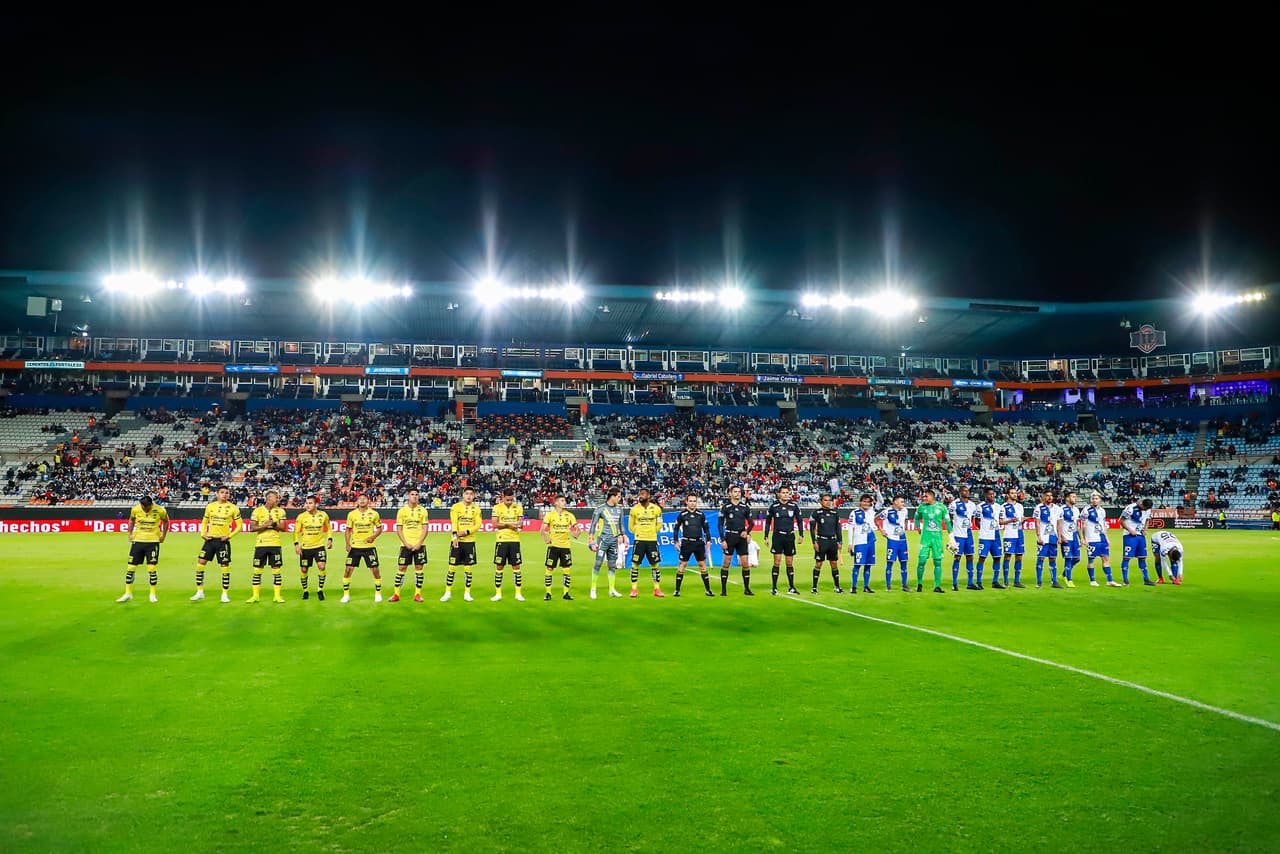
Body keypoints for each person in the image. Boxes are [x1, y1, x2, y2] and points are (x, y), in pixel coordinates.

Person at [192, 485, 241, 603]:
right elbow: (204, 521)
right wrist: (203, 533)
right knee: (200, 563)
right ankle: (199, 591)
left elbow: (240, 525)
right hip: (210, 540)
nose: (225, 494)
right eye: (222, 492)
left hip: (222, 541)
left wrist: (229, 536)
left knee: (224, 566)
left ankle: (224, 594)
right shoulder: (210, 506)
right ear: (217, 494)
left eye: (227, 493)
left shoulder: (233, 508)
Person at [117, 494, 168, 603]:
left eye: (146, 507)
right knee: (130, 568)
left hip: (153, 542)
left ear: (151, 505)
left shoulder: (160, 510)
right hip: (138, 541)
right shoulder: (135, 509)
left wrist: (163, 535)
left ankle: (152, 594)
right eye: (142, 507)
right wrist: (129, 534)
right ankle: (127, 593)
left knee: (151, 569)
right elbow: (131, 520)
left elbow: (166, 521)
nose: (144, 509)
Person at [246, 489, 287, 603]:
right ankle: (255, 596)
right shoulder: (257, 511)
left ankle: (277, 596)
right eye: (275, 497)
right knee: (257, 570)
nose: (277, 499)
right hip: (261, 544)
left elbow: (283, 528)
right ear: (268, 498)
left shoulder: (281, 511)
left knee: (276, 570)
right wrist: (264, 525)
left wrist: (273, 524)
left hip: (275, 544)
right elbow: (252, 528)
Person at [342, 493, 383, 603]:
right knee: (348, 570)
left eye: (364, 498)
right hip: (355, 547)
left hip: (369, 547)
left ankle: (378, 593)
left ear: (368, 501)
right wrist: (347, 543)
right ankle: (346, 595)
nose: (362, 500)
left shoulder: (374, 514)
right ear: (357, 501)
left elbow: (379, 528)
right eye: (360, 499)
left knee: (375, 570)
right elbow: (348, 530)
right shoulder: (352, 514)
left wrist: (373, 537)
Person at [587, 486, 627, 599]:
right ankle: (593, 589)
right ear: (612, 496)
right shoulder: (600, 509)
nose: (620, 499)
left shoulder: (620, 509)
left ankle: (612, 589)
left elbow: (621, 525)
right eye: (618, 496)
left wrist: (623, 535)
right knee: (598, 564)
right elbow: (593, 525)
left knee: (612, 566)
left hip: (614, 541)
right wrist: (591, 540)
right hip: (603, 540)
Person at [390, 487, 429, 603]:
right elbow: (399, 529)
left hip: (419, 545)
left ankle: (417, 594)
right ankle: (396, 594)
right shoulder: (402, 511)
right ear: (408, 496)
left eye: (416, 494)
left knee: (419, 568)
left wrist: (419, 543)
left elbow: (425, 528)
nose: (415, 496)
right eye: (412, 494)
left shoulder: (423, 511)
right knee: (401, 568)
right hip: (405, 545)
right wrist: (405, 543)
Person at [763, 486, 803, 595]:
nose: (785, 494)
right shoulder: (774, 506)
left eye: (787, 493)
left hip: (790, 537)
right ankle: (774, 587)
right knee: (777, 562)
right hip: (778, 536)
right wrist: (766, 536)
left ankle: (791, 587)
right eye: (783, 493)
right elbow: (767, 522)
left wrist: (801, 534)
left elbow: (799, 521)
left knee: (789, 563)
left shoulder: (793, 506)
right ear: (779, 494)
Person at [444, 486, 481, 602]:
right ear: (463, 495)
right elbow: (454, 523)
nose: (469, 496)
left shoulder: (477, 509)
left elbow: (478, 524)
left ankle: (467, 593)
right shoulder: (456, 507)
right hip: (457, 542)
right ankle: (447, 592)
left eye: (471, 494)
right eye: (467, 493)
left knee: (468, 569)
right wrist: (455, 536)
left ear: (474, 496)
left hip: (469, 542)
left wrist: (466, 532)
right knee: (452, 568)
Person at [673, 494, 714, 597]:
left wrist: (708, 540)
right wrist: (676, 541)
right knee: (682, 565)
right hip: (687, 543)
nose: (692, 503)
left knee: (702, 565)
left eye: (694, 501)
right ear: (687, 502)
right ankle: (677, 590)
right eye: (690, 501)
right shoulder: (682, 515)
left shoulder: (701, 515)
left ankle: (708, 590)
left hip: (698, 543)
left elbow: (706, 528)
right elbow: (676, 528)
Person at [626, 488, 664, 598]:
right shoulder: (634, 510)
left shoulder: (656, 509)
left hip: (652, 540)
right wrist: (638, 532)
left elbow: (659, 524)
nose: (640, 496)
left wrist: (652, 532)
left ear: (648, 496)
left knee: (655, 565)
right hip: (639, 540)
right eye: (639, 494)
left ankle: (657, 589)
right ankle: (634, 589)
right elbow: (631, 526)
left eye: (642, 494)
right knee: (635, 565)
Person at [293, 495, 333, 600]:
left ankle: (320, 590)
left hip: (319, 546)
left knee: (322, 566)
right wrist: (296, 544)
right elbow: (296, 531)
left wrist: (330, 539)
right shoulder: (301, 516)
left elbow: (329, 528)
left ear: (316, 504)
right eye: (306, 503)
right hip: (306, 548)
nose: (307, 505)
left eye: (310, 503)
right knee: (304, 569)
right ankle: (305, 591)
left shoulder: (323, 515)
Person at [717, 485, 755, 596]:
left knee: (745, 564)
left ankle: (747, 589)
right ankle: (723, 590)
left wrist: (747, 532)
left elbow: (751, 523)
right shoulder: (725, 507)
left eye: (739, 492)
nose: (737, 493)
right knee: (726, 563)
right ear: (730, 493)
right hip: (730, 537)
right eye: (735, 492)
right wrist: (723, 539)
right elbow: (720, 524)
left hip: (741, 538)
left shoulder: (745, 507)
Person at [490, 487, 526, 602]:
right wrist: (508, 525)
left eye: (511, 500)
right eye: (507, 500)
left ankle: (518, 593)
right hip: (501, 540)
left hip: (515, 540)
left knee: (516, 567)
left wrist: (519, 524)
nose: (509, 502)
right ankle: (498, 593)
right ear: (503, 497)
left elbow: (521, 524)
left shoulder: (518, 507)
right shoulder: (497, 508)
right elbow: (494, 524)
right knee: (499, 566)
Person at [540, 494, 578, 601]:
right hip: (554, 546)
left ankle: (566, 593)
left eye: (564, 501)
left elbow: (577, 528)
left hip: (565, 546)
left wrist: (577, 532)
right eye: (562, 500)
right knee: (549, 569)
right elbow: (542, 529)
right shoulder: (550, 515)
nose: (564, 502)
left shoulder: (569, 515)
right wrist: (545, 538)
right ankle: (548, 593)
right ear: (556, 502)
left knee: (566, 570)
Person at [912, 488, 950, 593]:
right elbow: (916, 518)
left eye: (926, 496)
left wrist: (951, 536)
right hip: (925, 539)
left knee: (937, 562)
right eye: (923, 496)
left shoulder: (941, 507)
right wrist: (917, 527)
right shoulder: (921, 507)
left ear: (932, 496)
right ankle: (919, 584)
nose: (924, 498)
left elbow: (947, 522)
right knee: (921, 561)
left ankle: (937, 586)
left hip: (937, 539)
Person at [1082, 491, 1119, 587]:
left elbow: (1103, 525)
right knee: (1091, 560)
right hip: (1092, 538)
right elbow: (1083, 525)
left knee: (1106, 558)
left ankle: (1109, 580)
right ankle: (1092, 580)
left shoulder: (1102, 511)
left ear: (1100, 500)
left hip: (1102, 538)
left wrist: (1107, 538)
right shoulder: (1086, 510)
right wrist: (1085, 538)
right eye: (1093, 498)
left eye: (1096, 498)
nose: (1094, 500)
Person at [809, 493, 843, 593]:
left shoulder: (835, 513)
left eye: (829, 500)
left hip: (832, 541)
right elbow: (812, 528)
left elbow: (838, 528)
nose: (828, 502)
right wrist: (814, 541)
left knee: (834, 564)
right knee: (819, 564)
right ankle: (814, 587)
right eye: (825, 500)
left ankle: (837, 587)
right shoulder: (816, 513)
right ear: (821, 501)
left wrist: (840, 541)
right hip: (821, 541)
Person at [878, 495, 910, 591]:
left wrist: (904, 528)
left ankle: (904, 585)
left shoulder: (905, 511)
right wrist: (882, 530)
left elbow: (905, 520)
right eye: (901, 502)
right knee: (890, 562)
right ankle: (888, 586)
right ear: (895, 502)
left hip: (903, 540)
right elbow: (876, 519)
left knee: (904, 562)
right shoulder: (887, 511)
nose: (903, 504)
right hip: (892, 540)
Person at [948, 485, 977, 590]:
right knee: (957, 558)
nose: (967, 492)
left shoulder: (973, 505)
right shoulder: (954, 504)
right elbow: (950, 519)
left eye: (968, 491)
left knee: (970, 556)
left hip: (968, 534)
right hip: (958, 535)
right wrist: (952, 536)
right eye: (964, 491)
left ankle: (970, 583)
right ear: (960, 492)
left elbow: (972, 519)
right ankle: (954, 584)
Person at [1119, 497, 1154, 586]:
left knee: (1142, 557)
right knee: (1127, 557)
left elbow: (1147, 520)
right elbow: (1121, 520)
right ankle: (1125, 580)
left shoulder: (1148, 510)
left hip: (1140, 536)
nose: (1145, 510)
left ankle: (1146, 579)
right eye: (1144, 508)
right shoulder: (1130, 508)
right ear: (1142, 504)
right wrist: (1130, 530)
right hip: (1129, 536)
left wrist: (1145, 529)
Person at [846, 492, 877, 594]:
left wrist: (877, 492)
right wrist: (850, 543)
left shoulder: (872, 511)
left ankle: (866, 586)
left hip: (871, 541)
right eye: (864, 501)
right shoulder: (854, 513)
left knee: (868, 565)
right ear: (860, 502)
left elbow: (880, 502)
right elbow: (850, 528)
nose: (866, 504)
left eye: (868, 502)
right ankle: (854, 586)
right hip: (860, 542)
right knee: (857, 564)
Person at [1033, 489, 1063, 589]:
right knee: (1041, 558)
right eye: (1047, 495)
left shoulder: (1057, 508)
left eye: (1051, 495)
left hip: (1053, 537)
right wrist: (1038, 536)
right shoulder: (1039, 508)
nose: (1049, 497)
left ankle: (1054, 581)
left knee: (1053, 558)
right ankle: (1039, 581)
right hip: (1043, 537)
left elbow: (1059, 524)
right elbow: (1037, 523)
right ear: (1043, 497)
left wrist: (1059, 536)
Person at [975, 487, 1003, 589]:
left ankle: (995, 581)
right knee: (982, 558)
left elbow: (999, 520)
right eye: (990, 494)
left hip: (996, 535)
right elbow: (976, 521)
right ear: (986, 495)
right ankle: (978, 581)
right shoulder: (980, 506)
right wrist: (984, 529)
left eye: (993, 494)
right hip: (985, 536)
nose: (992, 496)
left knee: (997, 557)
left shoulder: (998, 507)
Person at [1000, 487, 1027, 588]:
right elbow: (1001, 521)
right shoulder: (1003, 507)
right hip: (1010, 534)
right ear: (1007, 494)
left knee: (1019, 556)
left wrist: (1023, 520)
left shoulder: (1020, 506)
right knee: (1008, 556)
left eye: (1015, 493)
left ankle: (1017, 581)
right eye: (1012, 493)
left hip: (1019, 533)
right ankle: (1006, 580)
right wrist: (1011, 520)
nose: (1014, 495)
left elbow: (1020, 520)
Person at [1056, 491, 1082, 588]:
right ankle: (1069, 579)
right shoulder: (1061, 509)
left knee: (1077, 558)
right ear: (1067, 498)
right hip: (1066, 537)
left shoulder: (1076, 510)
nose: (1075, 498)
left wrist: (1081, 538)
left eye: (1075, 497)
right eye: (1073, 497)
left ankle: (1063, 574)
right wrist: (1061, 537)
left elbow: (1077, 525)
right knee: (1068, 558)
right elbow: (1057, 524)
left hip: (1074, 537)